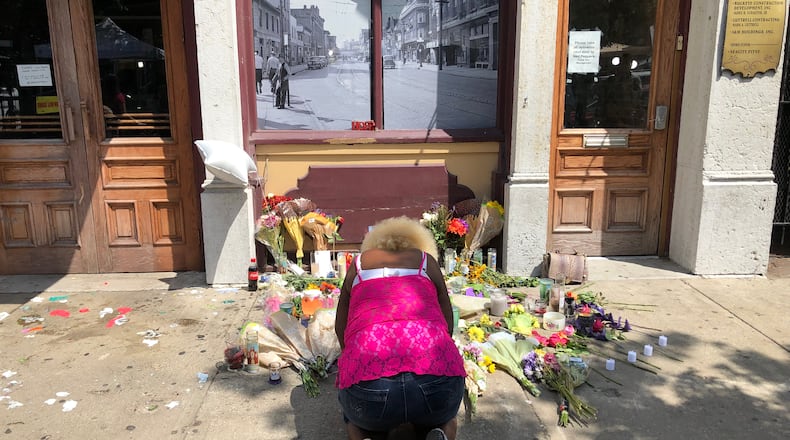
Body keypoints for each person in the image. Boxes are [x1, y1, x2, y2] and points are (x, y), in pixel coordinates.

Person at [335, 216, 465, 440]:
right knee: (445, 416)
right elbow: (446, 321)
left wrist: (353, 362)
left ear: (374, 243)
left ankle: (364, 435)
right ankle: (440, 431)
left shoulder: (358, 266)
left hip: (371, 390)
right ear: (419, 242)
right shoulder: (426, 262)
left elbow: (341, 327)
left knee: (355, 419)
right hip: (436, 382)